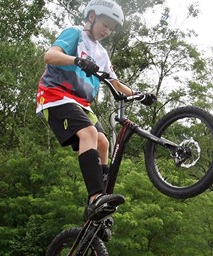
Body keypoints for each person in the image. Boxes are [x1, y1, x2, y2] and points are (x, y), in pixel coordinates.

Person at [36, 0, 156, 222]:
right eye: (105, 24)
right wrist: (77, 61)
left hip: (81, 104)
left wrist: (140, 95)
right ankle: (95, 197)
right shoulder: (75, 34)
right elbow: (50, 56)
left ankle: (101, 204)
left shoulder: (101, 53)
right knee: (89, 134)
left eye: (111, 28)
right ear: (91, 17)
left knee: (103, 142)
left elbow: (117, 84)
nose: (106, 31)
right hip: (55, 95)